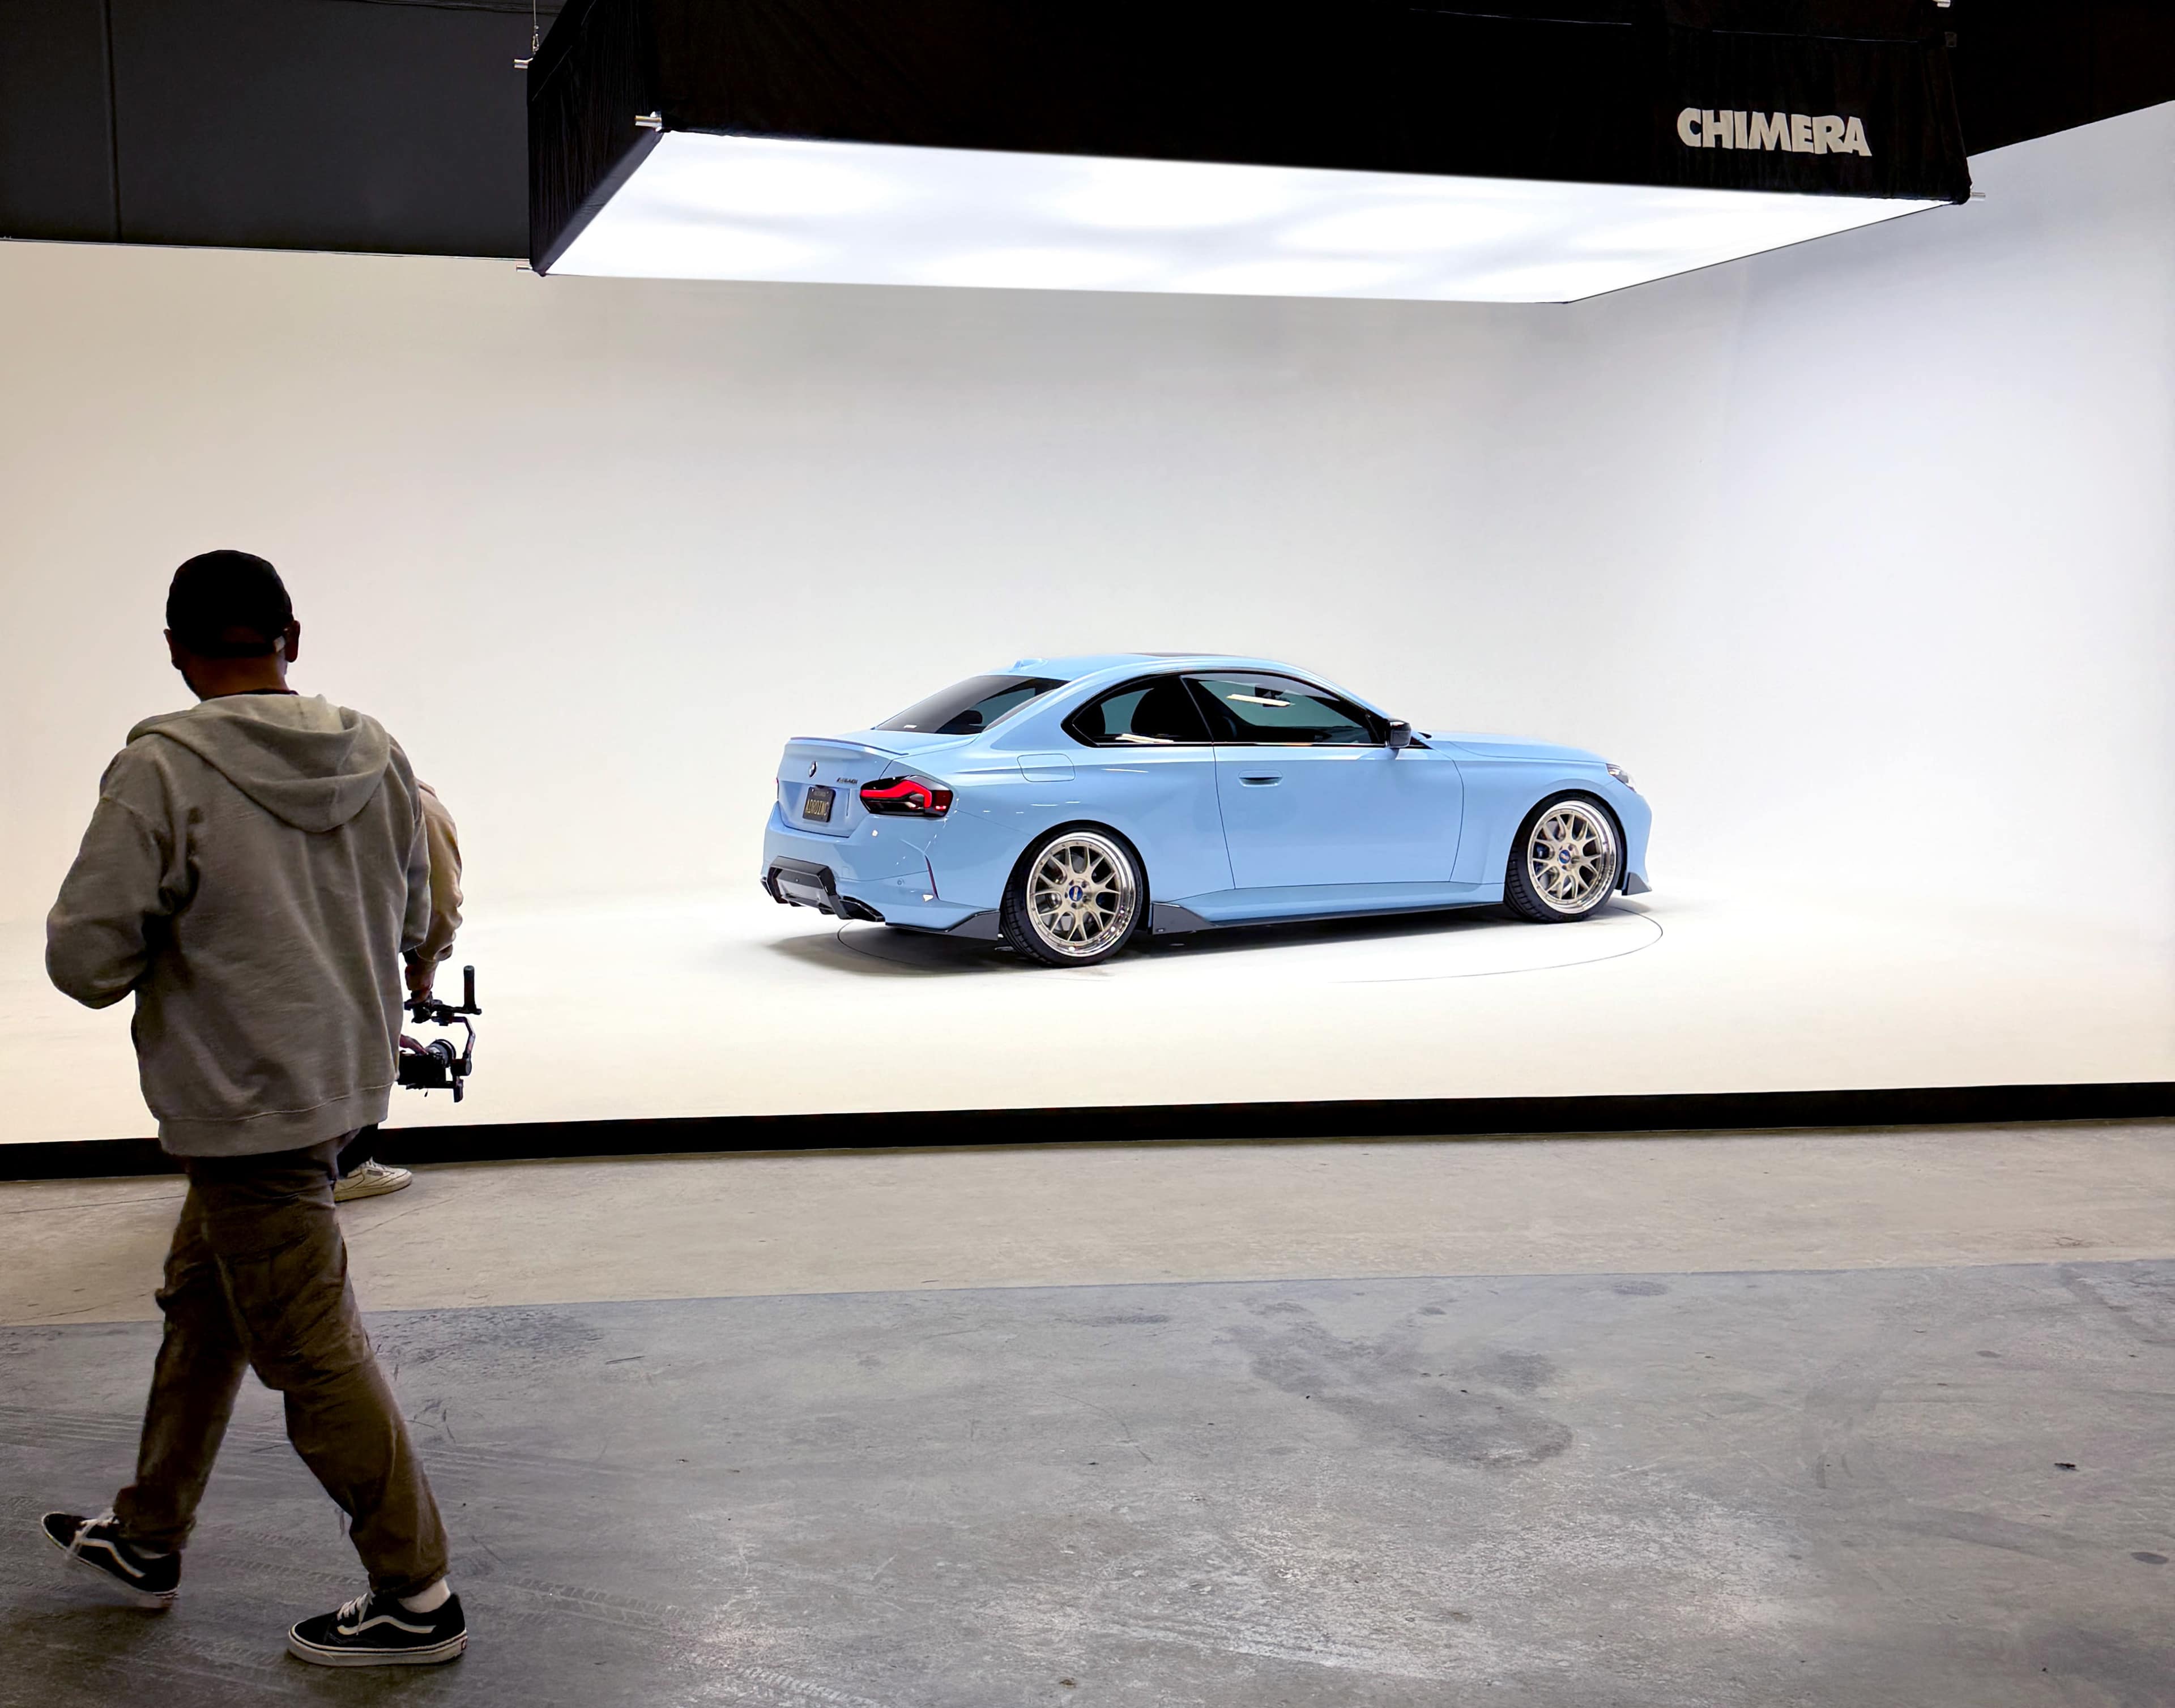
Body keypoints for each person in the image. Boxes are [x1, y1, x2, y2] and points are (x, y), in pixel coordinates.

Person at [40, 550, 467, 1667]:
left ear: (178, 648)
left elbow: (87, 957)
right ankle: (148, 1532)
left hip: (242, 1106)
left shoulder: (161, 770)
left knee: (314, 1351)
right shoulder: (376, 752)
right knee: (206, 1299)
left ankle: (415, 1592)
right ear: (293, 635)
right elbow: (417, 910)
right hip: (337, 1089)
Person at [334, 779, 463, 1202]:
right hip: (365, 949)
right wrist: (425, 964)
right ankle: (349, 1167)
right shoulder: (417, 802)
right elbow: (441, 902)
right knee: (363, 1045)